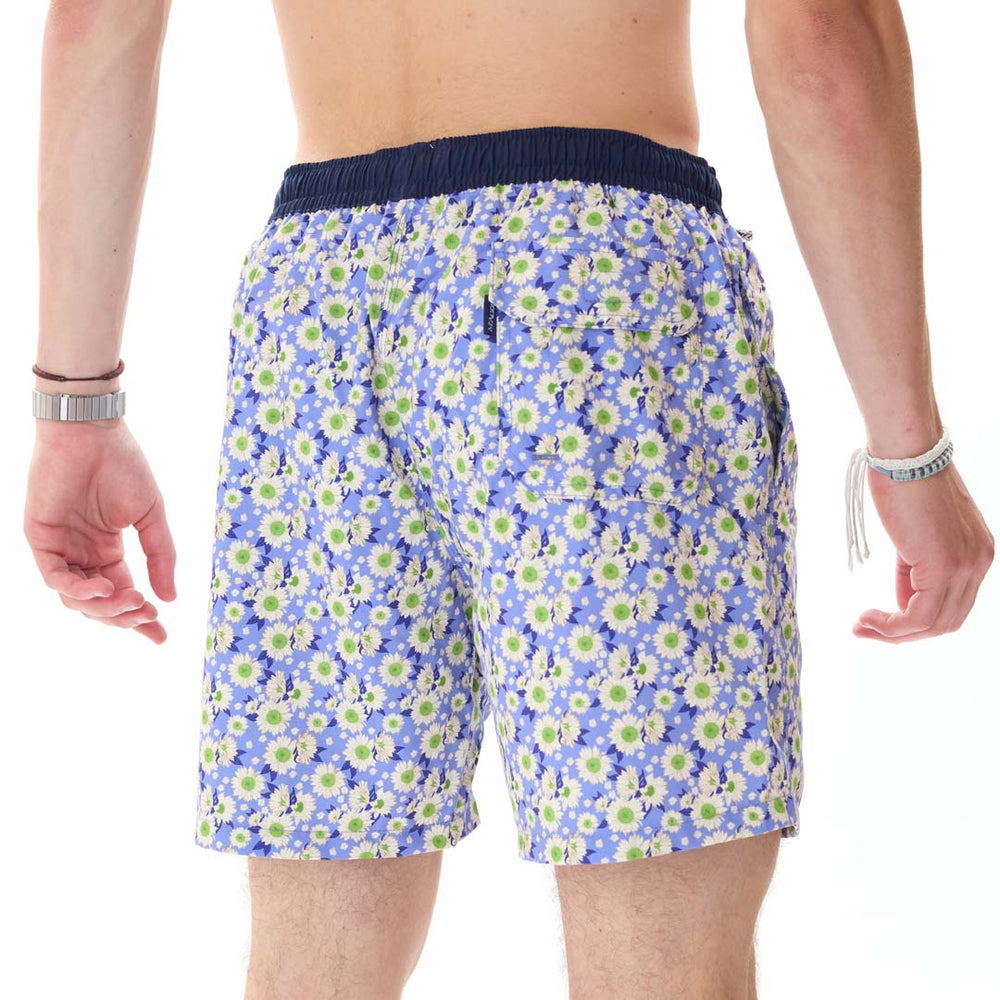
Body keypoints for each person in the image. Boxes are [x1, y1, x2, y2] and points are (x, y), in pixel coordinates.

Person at [23, 1, 995, 998]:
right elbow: (821, 34)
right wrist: (909, 450)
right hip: (589, 282)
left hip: (315, 304)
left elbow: (95, 20)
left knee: (315, 964)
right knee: (660, 954)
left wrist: (75, 409)